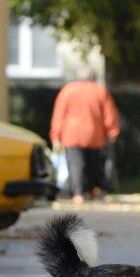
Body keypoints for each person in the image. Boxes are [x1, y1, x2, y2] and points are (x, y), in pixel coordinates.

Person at [50, 69, 120, 203]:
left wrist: (55, 135)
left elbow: (59, 115)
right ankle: (91, 190)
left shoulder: (68, 90)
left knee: (76, 164)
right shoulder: (100, 91)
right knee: (92, 164)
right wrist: (112, 132)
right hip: (94, 134)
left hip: (71, 134)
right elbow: (109, 114)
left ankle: (78, 193)